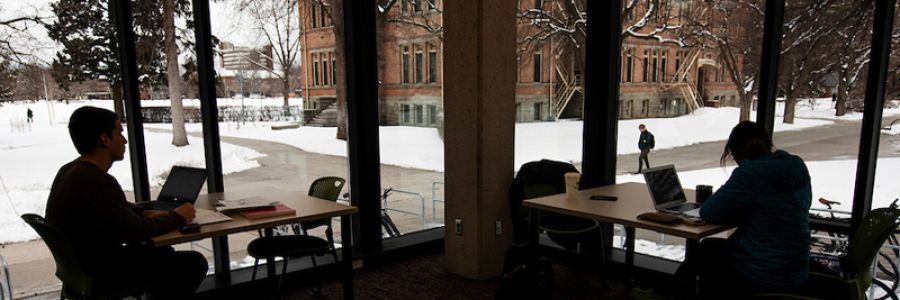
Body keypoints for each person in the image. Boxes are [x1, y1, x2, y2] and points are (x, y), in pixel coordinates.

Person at [44, 106, 207, 299]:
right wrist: (178, 216)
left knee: (162, 252)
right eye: (120, 133)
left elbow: (112, 208)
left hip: (80, 271)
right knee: (193, 263)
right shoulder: (98, 181)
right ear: (104, 139)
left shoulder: (70, 171)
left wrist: (143, 211)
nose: (125, 140)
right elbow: (135, 233)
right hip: (102, 273)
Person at [697, 121, 811, 299]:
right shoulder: (796, 166)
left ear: (735, 153)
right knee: (712, 249)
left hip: (761, 272)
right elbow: (784, 208)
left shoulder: (750, 173)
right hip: (797, 269)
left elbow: (709, 212)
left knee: (707, 251)